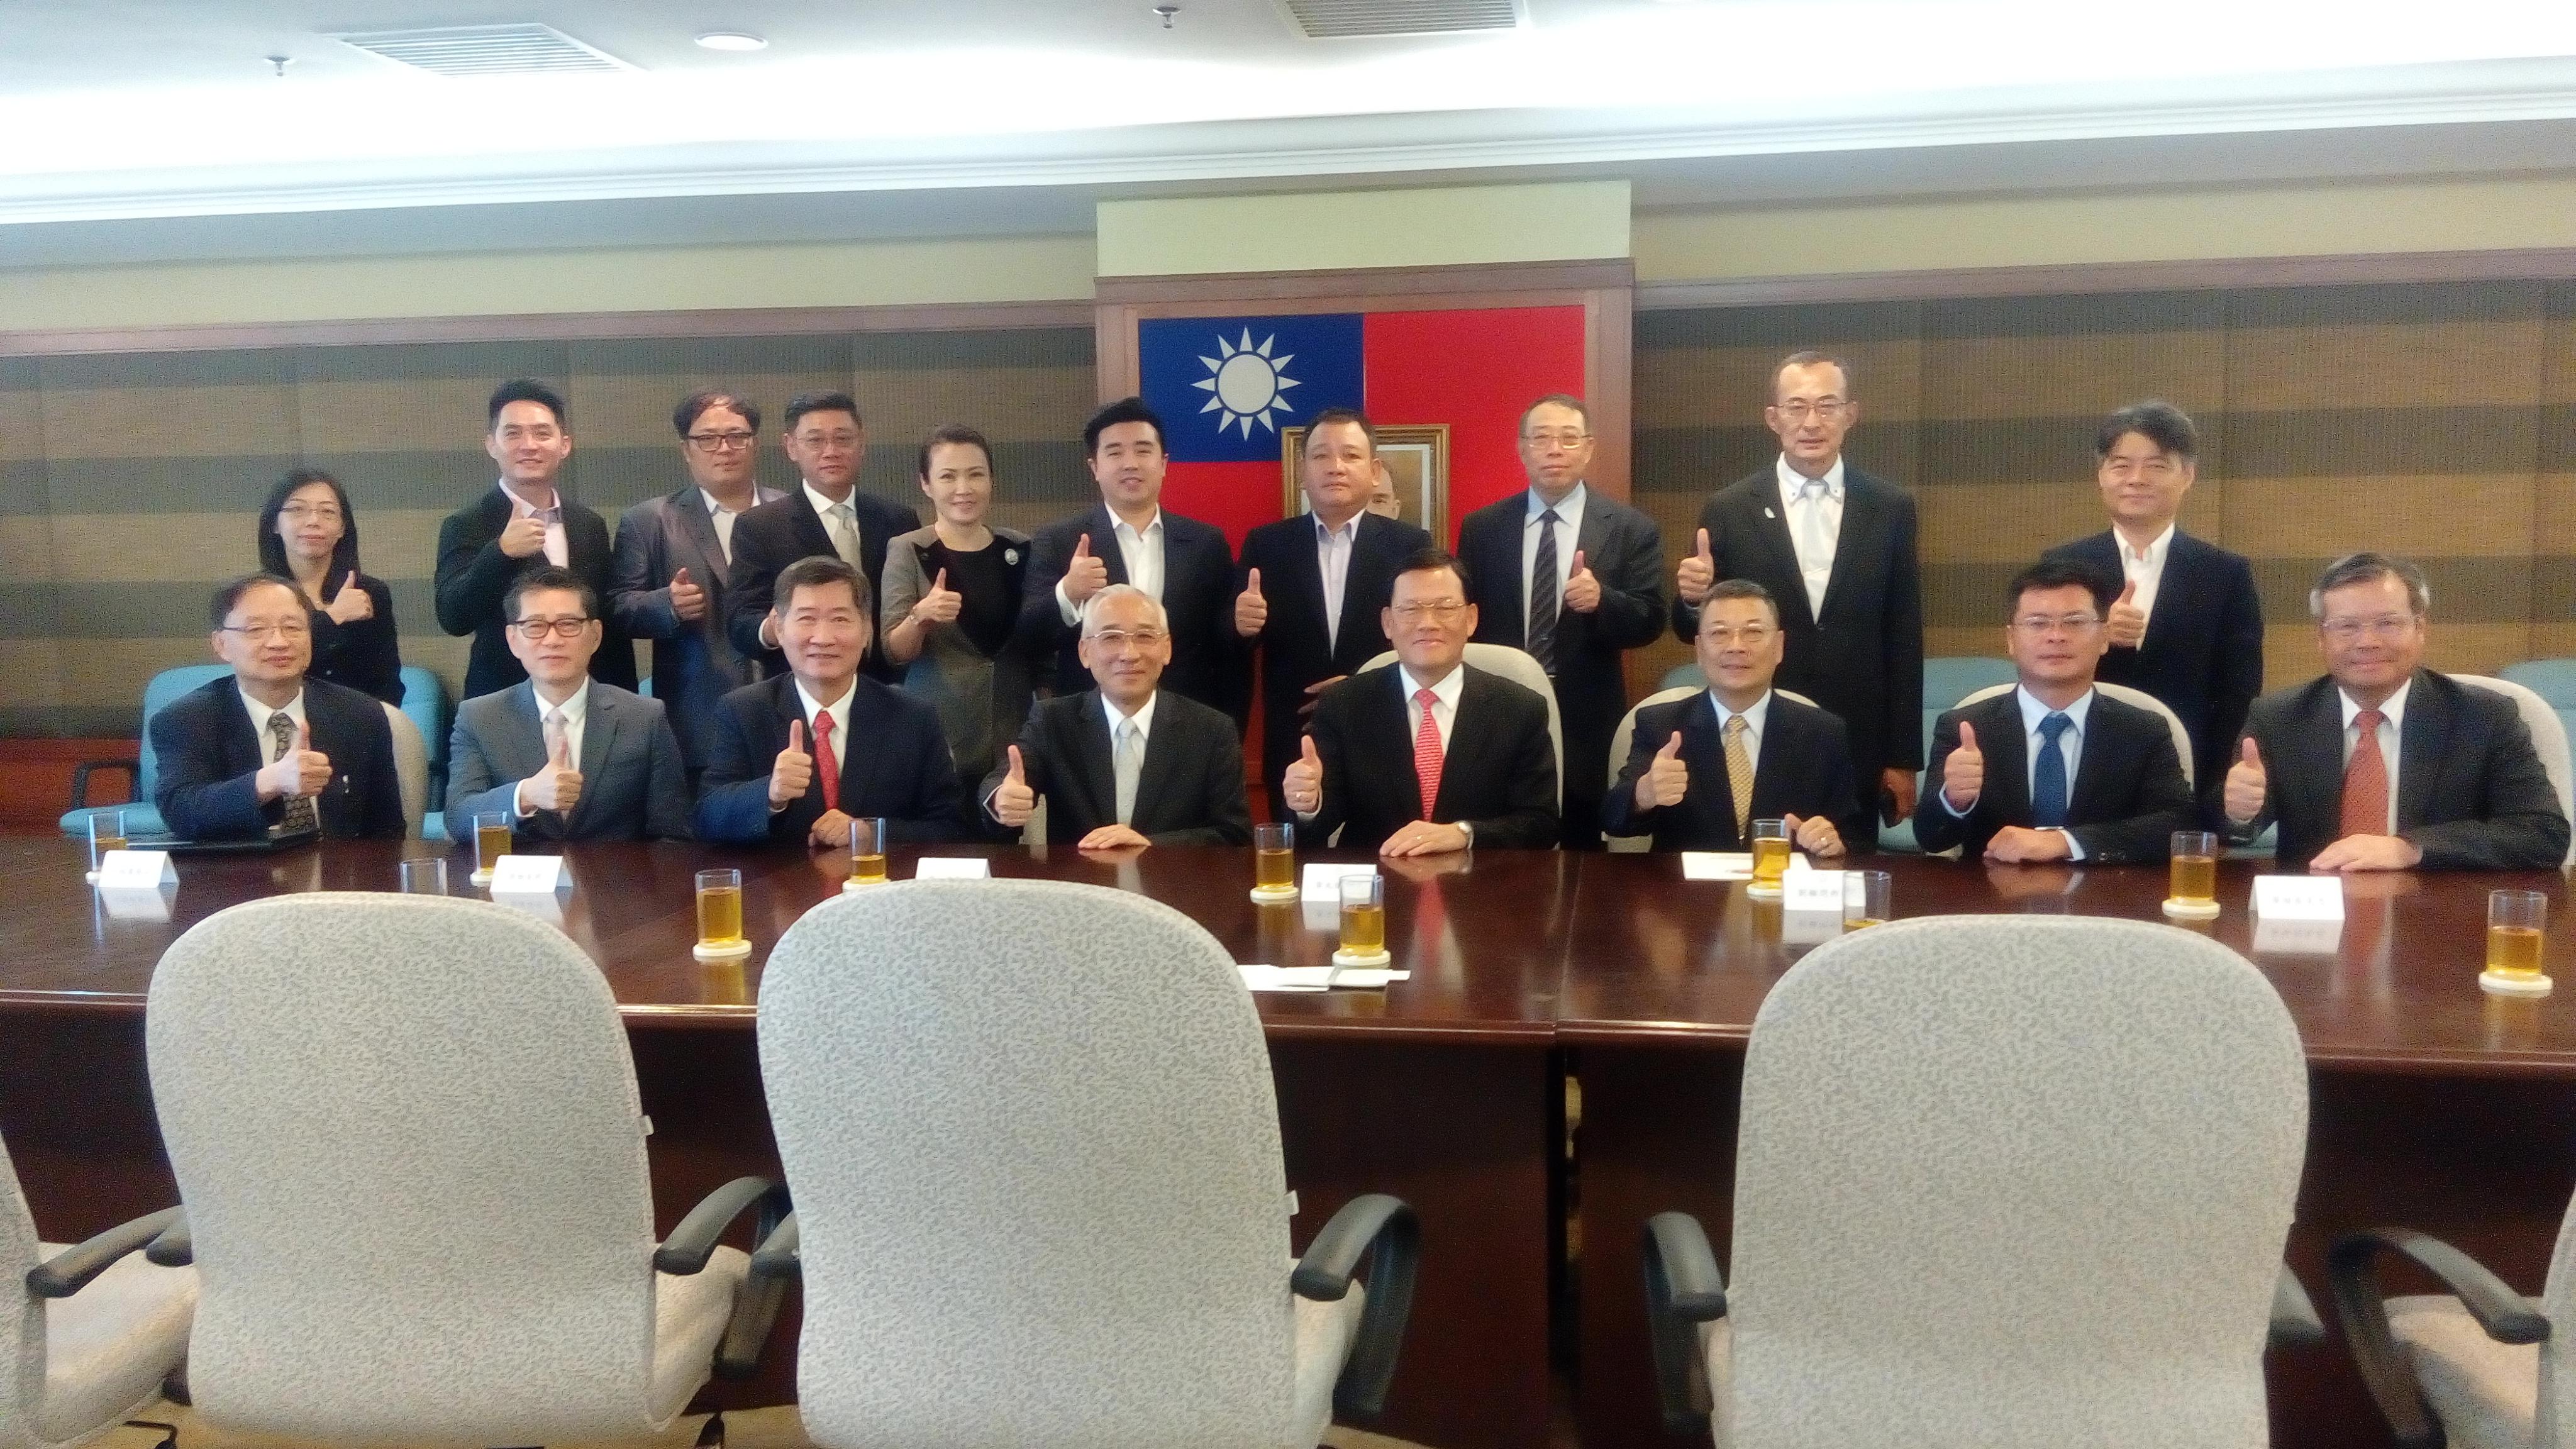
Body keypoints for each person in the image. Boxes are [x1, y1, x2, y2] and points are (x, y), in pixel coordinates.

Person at [1673, 350, 1922, 830]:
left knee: (1842, 873)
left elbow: (1904, 635)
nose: (1812, 422)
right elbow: (1694, 631)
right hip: (1760, 729)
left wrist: (1903, 757)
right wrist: (1692, 599)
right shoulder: (1729, 508)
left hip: (1857, 735)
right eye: (1797, 407)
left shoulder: (1890, 507)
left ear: (1851, 415)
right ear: (1773, 418)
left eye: (1828, 406)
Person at [2220, 552, 2568, 871]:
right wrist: (2239, 813)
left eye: (2387, 623)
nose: (2367, 642)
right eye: (2347, 626)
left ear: (2420, 630)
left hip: (2441, 914)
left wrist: (2410, 848)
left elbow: (2543, 834)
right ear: (2321, 639)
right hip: (2316, 918)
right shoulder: (2279, 718)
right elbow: (2227, 827)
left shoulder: (2484, 717)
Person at [1456, 394, 1666, 850]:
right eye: (1542, 438)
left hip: (1587, 714)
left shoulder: (1630, 528)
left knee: (1582, 844)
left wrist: (1602, 601)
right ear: (1522, 448)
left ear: (1589, 448)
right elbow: (1465, 620)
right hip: (1497, 706)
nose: (1555, 449)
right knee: (1503, 834)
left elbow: (1651, 620)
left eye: (1569, 439)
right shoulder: (1483, 527)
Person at [2042, 401, 2262, 792]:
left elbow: (2239, 693)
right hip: (2082, 766)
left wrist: (2218, 790)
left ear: (2188, 475)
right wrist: (2097, 635)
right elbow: (2038, 670)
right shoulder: (2063, 566)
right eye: (2121, 464)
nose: (2136, 478)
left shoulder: (2226, 572)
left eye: (2157, 466)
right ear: (2101, 474)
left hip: (2189, 771)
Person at [1914, 557, 2194, 864]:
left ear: (2104, 638)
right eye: (2038, 623)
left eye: (2074, 622)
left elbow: (2178, 825)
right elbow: (1932, 837)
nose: (2056, 636)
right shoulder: (1966, 727)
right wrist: (1955, 800)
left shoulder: (2144, 729)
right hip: (1993, 902)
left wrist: (2065, 843)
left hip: (2107, 900)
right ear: (2011, 640)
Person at [1284, 550, 1558, 856]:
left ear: (1471, 619)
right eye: (1411, 609)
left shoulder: (1520, 709)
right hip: (1378, 886)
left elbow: (1541, 825)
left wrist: (1464, 833)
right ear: (1388, 623)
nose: (1428, 623)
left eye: (1445, 608)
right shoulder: (1344, 704)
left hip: (1480, 885)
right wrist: (1308, 803)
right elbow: (1319, 821)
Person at [1234, 408, 1430, 819]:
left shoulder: (1412, 546)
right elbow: (1232, 645)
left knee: (1390, 862)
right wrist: (1239, 625)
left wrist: (1359, 684)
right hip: (1294, 738)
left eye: (1351, 456)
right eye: (1321, 456)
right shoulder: (1267, 544)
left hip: (1387, 727)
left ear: (1375, 470)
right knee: (1301, 867)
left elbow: (1428, 639)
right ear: (1303, 471)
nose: (1336, 467)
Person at [696, 556, 965, 847]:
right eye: (807, 619)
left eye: (840, 619)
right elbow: (707, 818)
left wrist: (869, 833)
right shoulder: (743, 711)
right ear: (779, 626)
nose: (823, 638)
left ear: (866, 630)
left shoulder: (913, 717)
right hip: (778, 889)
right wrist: (770, 795)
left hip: (880, 885)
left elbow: (951, 826)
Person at [1603, 579, 1865, 854]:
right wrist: (1645, 794)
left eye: (1753, 632)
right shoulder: (1660, 724)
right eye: (1719, 633)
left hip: (1781, 888)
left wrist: (1833, 844)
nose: (1736, 646)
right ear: (1700, 650)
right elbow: (1613, 819)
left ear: (1779, 646)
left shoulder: (1823, 732)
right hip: (1686, 892)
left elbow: (1853, 837)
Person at [982, 584, 1251, 849]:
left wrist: (1150, 846)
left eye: (1145, 637)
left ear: (1167, 649)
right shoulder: (1053, 721)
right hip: (1082, 887)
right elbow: (1007, 780)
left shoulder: (1212, 731)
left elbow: (1235, 835)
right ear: (1084, 652)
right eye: (1111, 638)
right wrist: (1002, 800)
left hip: (1174, 887)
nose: (1129, 654)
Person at [1019, 396, 1239, 717]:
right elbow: (1028, 634)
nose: (1130, 463)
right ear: (1095, 467)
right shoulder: (1059, 539)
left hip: (1183, 719)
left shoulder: (1205, 543)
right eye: (1115, 452)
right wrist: (1068, 594)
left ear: (1164, 464)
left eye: (1143, 450)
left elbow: (1222, 646)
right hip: (1088, 721)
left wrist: (1243, 625)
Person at [608, 388, 786, 780]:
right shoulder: (650, 520)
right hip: (697, 714)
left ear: (755, 444)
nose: (724, 448)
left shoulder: (791, 512)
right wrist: (665, 605)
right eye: (707, 439)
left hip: (787, 705)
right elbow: (618, 607)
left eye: (737, 436)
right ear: (686, 450)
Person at [445, 567, 691, 843]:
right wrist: (526, 795)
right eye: (535, 626)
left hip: (617, 883)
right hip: (519, 883)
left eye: (568, 624)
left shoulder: (644, 717)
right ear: (513, 640)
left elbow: (673, 834)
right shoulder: (479, 717)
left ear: (595, 636)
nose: (552, 640)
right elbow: (458, 817)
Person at [152, 574, 405, 841]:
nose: (279, 642)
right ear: (221, 645)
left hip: (337, 875)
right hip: (236, 877)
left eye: (293, 628)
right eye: (256, 630)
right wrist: (271, 781)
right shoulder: (185, 719)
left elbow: (387, 831)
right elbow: (181, 810)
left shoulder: (360, 714)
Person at [434, 379, 636, 700]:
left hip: (590, 699)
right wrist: (500, 553)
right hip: (506, 701)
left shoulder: (588, 523)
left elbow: (605, 622)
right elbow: (453, 617)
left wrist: (624, 698)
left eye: (542, 433)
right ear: (491, 444)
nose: (529, 445)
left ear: (564, 445)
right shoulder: (466, 523)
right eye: (513, 434)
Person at [724, 391, 921, 682]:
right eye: (815, 440)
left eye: (843, 439)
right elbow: (741, 624)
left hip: (885, 690)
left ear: (862, 442)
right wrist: (778, 627)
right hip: (802, 690)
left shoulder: (898, 520)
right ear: (790, 446)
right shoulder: (759, 527)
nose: (831, 451)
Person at [880, 425, 1035, 794]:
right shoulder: (907, 549)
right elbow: (893, 651)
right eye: (948, 477)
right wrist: (921, 617)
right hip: (937, 729)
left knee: (1004, 846)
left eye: (976, 475)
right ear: (926, 484)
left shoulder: (1021, 548)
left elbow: (1039, 644)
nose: (963, 489)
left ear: (991, 480)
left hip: (1009, 730)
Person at [255, 469, 404, 706]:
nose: (314, 521)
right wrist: (333, 617)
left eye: (327, 512)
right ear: (275, 524)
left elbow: (387, 685)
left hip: (354, 725)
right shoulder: (256, 595)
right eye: (297, 510)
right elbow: (267, 673)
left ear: (343, 528)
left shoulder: (368, 592)